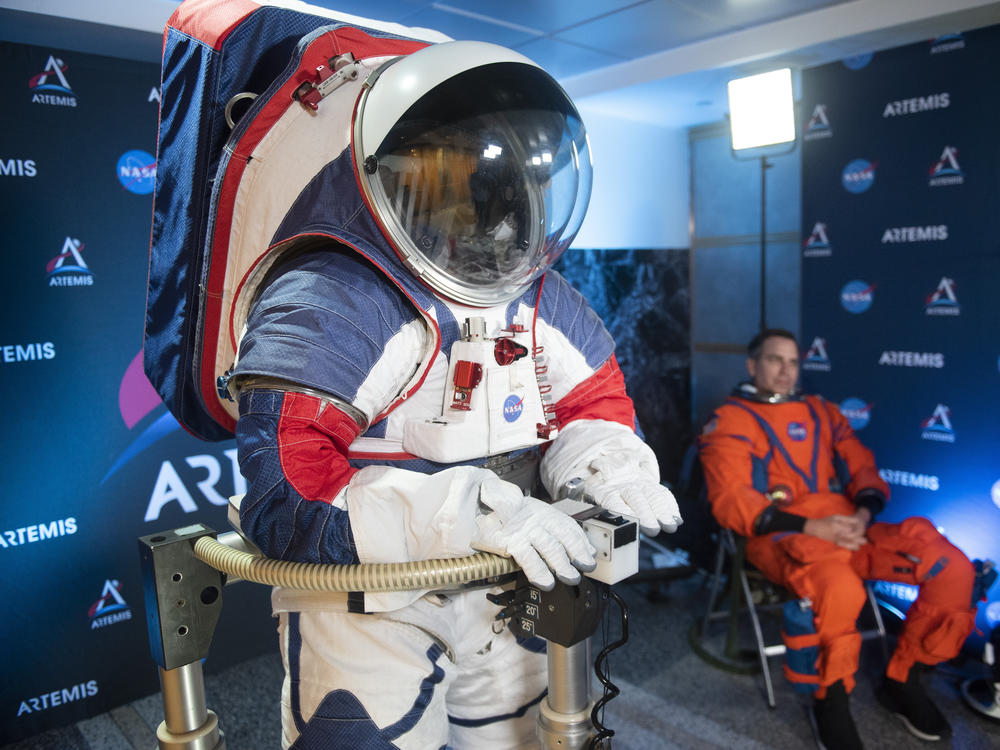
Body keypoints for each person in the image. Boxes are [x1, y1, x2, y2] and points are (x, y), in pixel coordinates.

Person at [228, 39, 681, 749]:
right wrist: (465, 516)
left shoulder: (543, 302)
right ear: (392, 173)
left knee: (524, 739)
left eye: (492, 182)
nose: (481, 210)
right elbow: (285, 492)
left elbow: (592, 407)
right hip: (369, 597)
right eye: (449, 175)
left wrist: (608, 467)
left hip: (506, 579)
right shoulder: (332, 297)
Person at [698, 328, 976, 749]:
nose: (785, 371)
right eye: (774, 360)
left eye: (792, 362)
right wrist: (812, 527)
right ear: (753, 366)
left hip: (849, 528)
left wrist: (864, 513)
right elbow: (730, 500)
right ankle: (831, 701)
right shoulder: (731, 420)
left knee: (949, 567)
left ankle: (902, 679)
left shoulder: (821, 411)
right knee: (841, 589)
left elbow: (862, 465)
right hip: (780, 537)